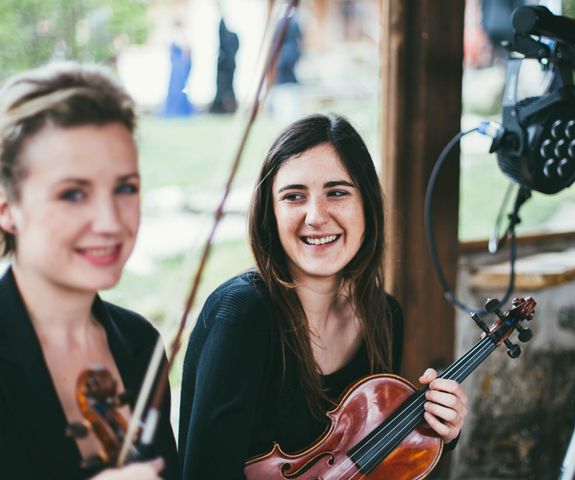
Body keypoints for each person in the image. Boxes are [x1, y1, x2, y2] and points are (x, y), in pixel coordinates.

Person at [179, 113, 468, 478]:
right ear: (271, 213)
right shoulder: (242, 314)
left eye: (337, 192)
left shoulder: (383, 315)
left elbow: (365, 468)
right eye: (294, 196)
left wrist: (439, 427)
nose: (315, 216)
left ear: (367, 205)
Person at [0, 63, 178, 480]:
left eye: (125, 188)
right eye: (73, 193)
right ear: (7, 207)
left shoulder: (141, 345)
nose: (110, 222)